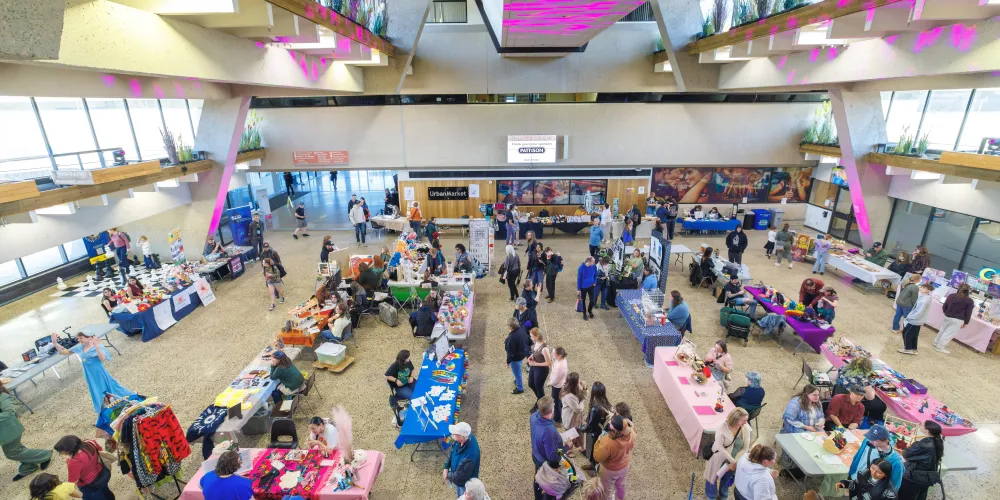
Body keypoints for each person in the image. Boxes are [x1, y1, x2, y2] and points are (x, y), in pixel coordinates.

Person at [50, 333, 132, 414]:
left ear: (89, 338)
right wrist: (55, 343)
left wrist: (97, 347)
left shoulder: (97, 347)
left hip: (99, 373)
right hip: (89, 375)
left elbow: (102, 358)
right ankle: (105, 411)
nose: (79, 340)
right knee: (96, 392)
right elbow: (65, 352)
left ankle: (129, 397)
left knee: (110, 387)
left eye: (81, 338)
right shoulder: (80, 347)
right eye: (78, 338)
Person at [1, 382, 52, 481]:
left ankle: (45, 455)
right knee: (16, 449)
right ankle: (28, 467)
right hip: (5, 431)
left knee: (12, 452)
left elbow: (9, 412)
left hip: (10, 430)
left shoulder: (2, 396)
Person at [704, 408, 752, 500]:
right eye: (743, 420)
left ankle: (723, 496)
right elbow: (719, 446)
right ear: (735, 419)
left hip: (735, 460)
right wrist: (732, 461)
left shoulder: (745, 428)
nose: (746, 423)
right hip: (719, 457)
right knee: (712, 477)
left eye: (746, 420)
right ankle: (711, 496)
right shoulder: (722, 427)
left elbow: (745, 448)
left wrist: (735, 461)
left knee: (727, 479)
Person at [53, 436, 114, 500]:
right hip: (101, 473)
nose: (60, 453)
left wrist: (68, 462)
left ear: (68, 449)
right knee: (105, 491)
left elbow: (73, 481)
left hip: (89, 484)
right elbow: (100, 450)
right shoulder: (90, 443)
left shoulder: (74, 461)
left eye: (60, 451)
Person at [848, 425, 904, 492]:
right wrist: (851, 474)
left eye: (874, 439)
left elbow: (894, 486)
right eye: (870, 437)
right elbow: (857, 457)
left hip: (871, 491)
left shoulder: (896, 462)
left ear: (885, 441)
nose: (870, 441)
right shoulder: (867, 442)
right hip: (855, 479)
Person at [531, 396, 567, 500]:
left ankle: (538, 496)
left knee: (537, 477)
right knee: (548, 484)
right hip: (545, 462)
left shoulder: (533, 416)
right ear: (551, 411)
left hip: (536, 454)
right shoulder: (549, 431)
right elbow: (553, 457)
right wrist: (567, 447)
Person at [898, 420, 944, 500]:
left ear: (927, 431)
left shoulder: (923, 444)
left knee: (905, 496)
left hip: (914, 477)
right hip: (927, 477)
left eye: (922, 425)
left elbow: (906, 453)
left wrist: (909, 446)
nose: (920, 425)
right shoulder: (937, 441)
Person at [594, 415, 635, 500]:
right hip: (624, 466)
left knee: (607, 490)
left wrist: (599, 440)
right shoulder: (631, 433)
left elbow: (597, 457)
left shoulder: (608, 442)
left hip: (609, 470)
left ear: (615, 431)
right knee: (621, 486)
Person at [933, 283, 975, 354]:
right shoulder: (969, 301)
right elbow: (968, 313)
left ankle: (936, 342)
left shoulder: (951, 295)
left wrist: (946, 313)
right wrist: (966, 322)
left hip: (948, 316)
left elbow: (944, 306)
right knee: (948, 334)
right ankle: (939, 347)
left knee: (942, 330)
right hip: (957, 320)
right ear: (968, 291)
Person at [443, 422, 481, 497]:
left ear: (461, 437)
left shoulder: (470, 455)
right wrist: (446, 466)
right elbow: (452, 451)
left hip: (465, 483)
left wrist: (448, 475)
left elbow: (460, 477)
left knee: (463, 495)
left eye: (454, 434)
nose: (452, 434)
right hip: (458, 476)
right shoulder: (463, 438)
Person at [899, 283, 934, 355]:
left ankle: (908, 349)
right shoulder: (924, 297)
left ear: (928, 290)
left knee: (906, 333)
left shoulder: (925, 300)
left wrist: (911, 317)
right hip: (917, 319)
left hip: (915, 320)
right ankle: (913, 349)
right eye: (922, 287)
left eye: (924, 288)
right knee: (914, 335)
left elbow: (919, 312)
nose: (921, 288)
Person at [559, 371, 586, 452]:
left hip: (578, 418)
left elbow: (585, 394)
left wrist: (584, 387)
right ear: (574, 383)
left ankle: (581, 447)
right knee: (570, 435)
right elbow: (578, 409)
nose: (580, 380)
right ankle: (568, 450)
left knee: (580, 433)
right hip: (570, 418)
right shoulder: (568, 396)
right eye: (578, 380)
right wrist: (582, 401)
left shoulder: (576, 388)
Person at [505, 318, 531, 395]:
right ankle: (517, 381)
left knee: (517, 373)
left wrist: (508, 361)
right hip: (523, 353)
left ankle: (520, 388)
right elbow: (527, 338)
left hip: (515, 358)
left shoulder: (512, 337)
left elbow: (510, 352)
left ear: (510, 327)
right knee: (518, 370)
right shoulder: (522, 328)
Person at [527, 328, 552, 409]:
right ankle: (540, 399)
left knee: (539, 387)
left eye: (532, 336)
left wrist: (535, 363)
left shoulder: (544, 349)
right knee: (531, 384)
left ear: (537, 336)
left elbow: (549, 363)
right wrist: (531, 356)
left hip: (542, 370)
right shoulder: (535, 342)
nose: (531, 338)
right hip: (534, 366)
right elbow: (535, 351)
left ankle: (542, 405)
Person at [549, 348, 568, 426]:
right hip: (558, 384)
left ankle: (557, 420)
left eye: (554, 353)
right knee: (558, 401)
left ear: (559, 355)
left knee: (556, 402)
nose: (552, 354)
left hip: (557, 386)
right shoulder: (560, 360)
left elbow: (556, 379)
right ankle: (560, 414)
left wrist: (550, 383)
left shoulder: (561, 366)